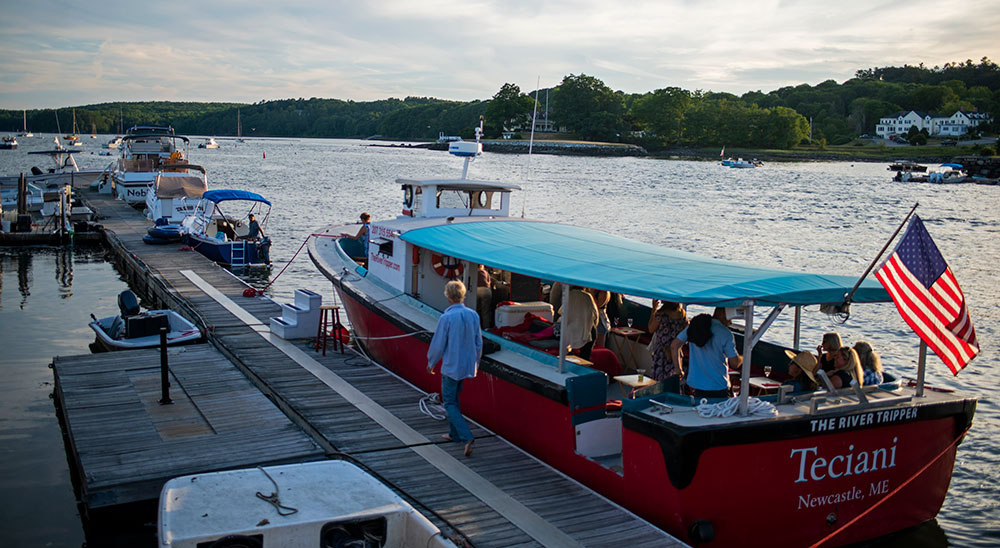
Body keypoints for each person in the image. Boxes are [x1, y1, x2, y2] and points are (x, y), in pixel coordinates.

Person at [427, 280, 482, 457]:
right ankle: (454, 434)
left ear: (448, 296)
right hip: (466, 365)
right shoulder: (473, 315)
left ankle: (466, 436)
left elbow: (438, 344)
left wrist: (431, 362)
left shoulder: (447, 318)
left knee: (449, 402)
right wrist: (476, 362)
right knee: (455, 399)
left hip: (451, 366)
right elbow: (478, 342)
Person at [670, 312, 741, 398]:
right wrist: (743, 358)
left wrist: (678, 369)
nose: (731, 323)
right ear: (723, 315)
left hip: (695, 385)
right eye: (730, 319)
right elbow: (735, 363)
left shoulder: (695, 326)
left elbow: (674, 346)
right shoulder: (725, 333)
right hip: (718, 386)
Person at [646, 300, 688, 382]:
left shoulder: (660, 314)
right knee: (674, 380)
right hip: (676, 353)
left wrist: (653, 309)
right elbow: (687, 330)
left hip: (661, 353)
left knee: (659, 381)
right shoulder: (682, 314)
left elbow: (651, 329)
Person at [560, 286, 598, 360]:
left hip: (569, 330)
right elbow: (595, 315)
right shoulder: (588, 296)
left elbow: (561, 311)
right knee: (586, 354)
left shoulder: (568, 295)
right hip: (585, 330)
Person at [476, 263, 493, 328]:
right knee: (485, 311)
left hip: (477, 290)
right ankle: (486, 328)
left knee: (476, 310)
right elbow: (489, 283)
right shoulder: (485, 272)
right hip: (486, 290)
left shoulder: (474, 272)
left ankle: (477, 326)